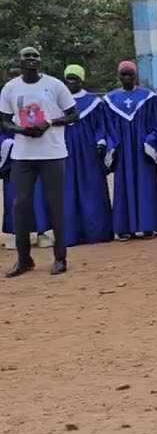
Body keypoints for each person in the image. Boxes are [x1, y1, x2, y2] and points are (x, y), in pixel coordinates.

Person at [0, 47, 78, 276]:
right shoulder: (10, 88)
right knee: (21, 204)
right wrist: (20, 129)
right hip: (23, 155)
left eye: (35, 56)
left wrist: (49, 122)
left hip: (52, 153)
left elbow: (74, 114)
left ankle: (60, 258)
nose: (31, 60)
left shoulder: (54, 85)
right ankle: (24, 259)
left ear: (40, 61)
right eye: (27, 57)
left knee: (56, 204)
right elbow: (4, 121)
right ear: (21, 61)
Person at [105, 60, 157, 240]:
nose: (127, 77)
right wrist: (112, 146)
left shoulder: (148, 97)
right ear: (118, 76)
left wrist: (150, 141)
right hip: (123, 148)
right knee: (124, 184)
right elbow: (108, 127)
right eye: (123, 74)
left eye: (130, 74)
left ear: (135, 75)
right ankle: (125, 227)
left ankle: (148, 225)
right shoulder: (110, 99)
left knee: (146, 184)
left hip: (142, 148)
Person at [60, 65, 113, 247]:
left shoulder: (94, 102)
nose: (71, 82)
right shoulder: (57, 101)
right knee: (67, 189)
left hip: (88, 150)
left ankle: (96, 232)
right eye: (68, 78)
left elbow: (101, 125)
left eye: (75, 78)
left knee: (91, 187)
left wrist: (101, 141)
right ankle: (70, 234)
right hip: (64, 148)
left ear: (81, 80)